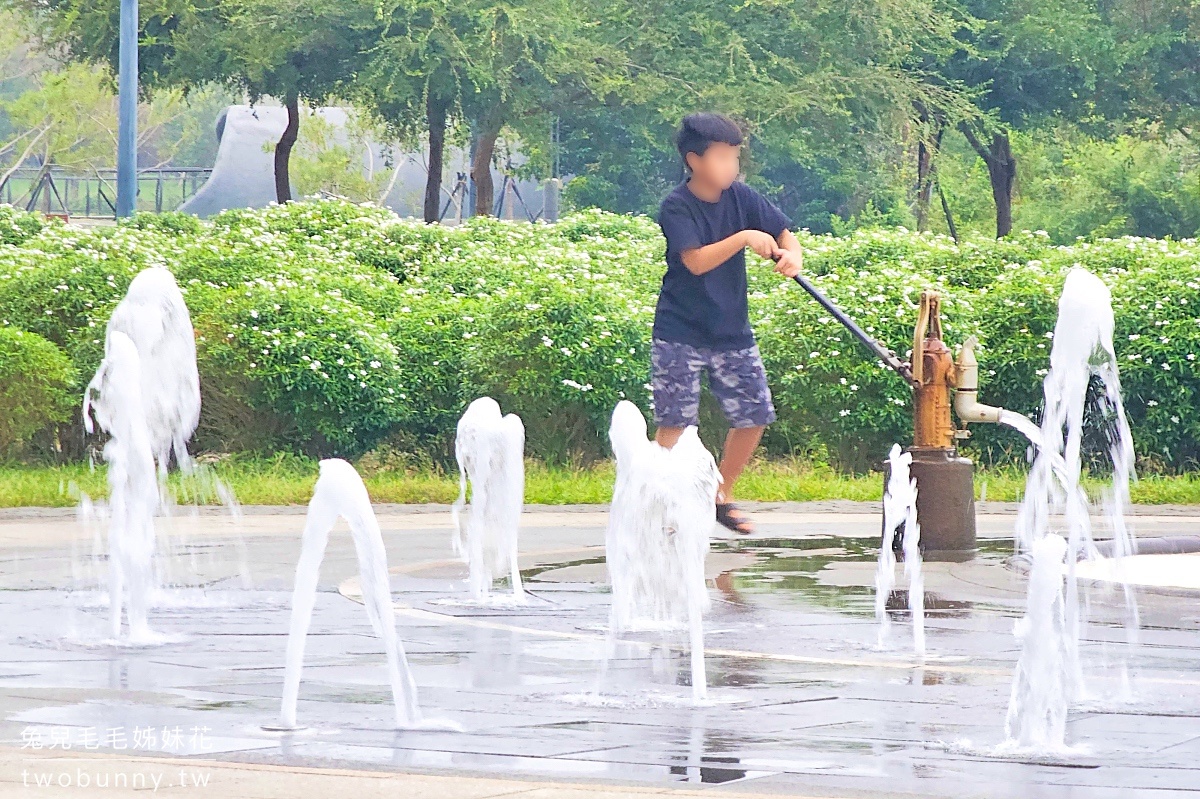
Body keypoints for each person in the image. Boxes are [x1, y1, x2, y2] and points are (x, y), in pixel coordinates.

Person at [652, 112, 804, 535]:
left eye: (735, 157)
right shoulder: (677, 206)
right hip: (679, 331)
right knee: (675, 422)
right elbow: (695, 261)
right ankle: (660, 504)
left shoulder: (743, 197)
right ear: (694, 160)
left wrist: (793, 255)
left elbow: (784, 232)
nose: (731, 167)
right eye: (721, 157)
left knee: (754, 413)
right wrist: (742, 239)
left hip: (731, 329)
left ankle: (719, 493)